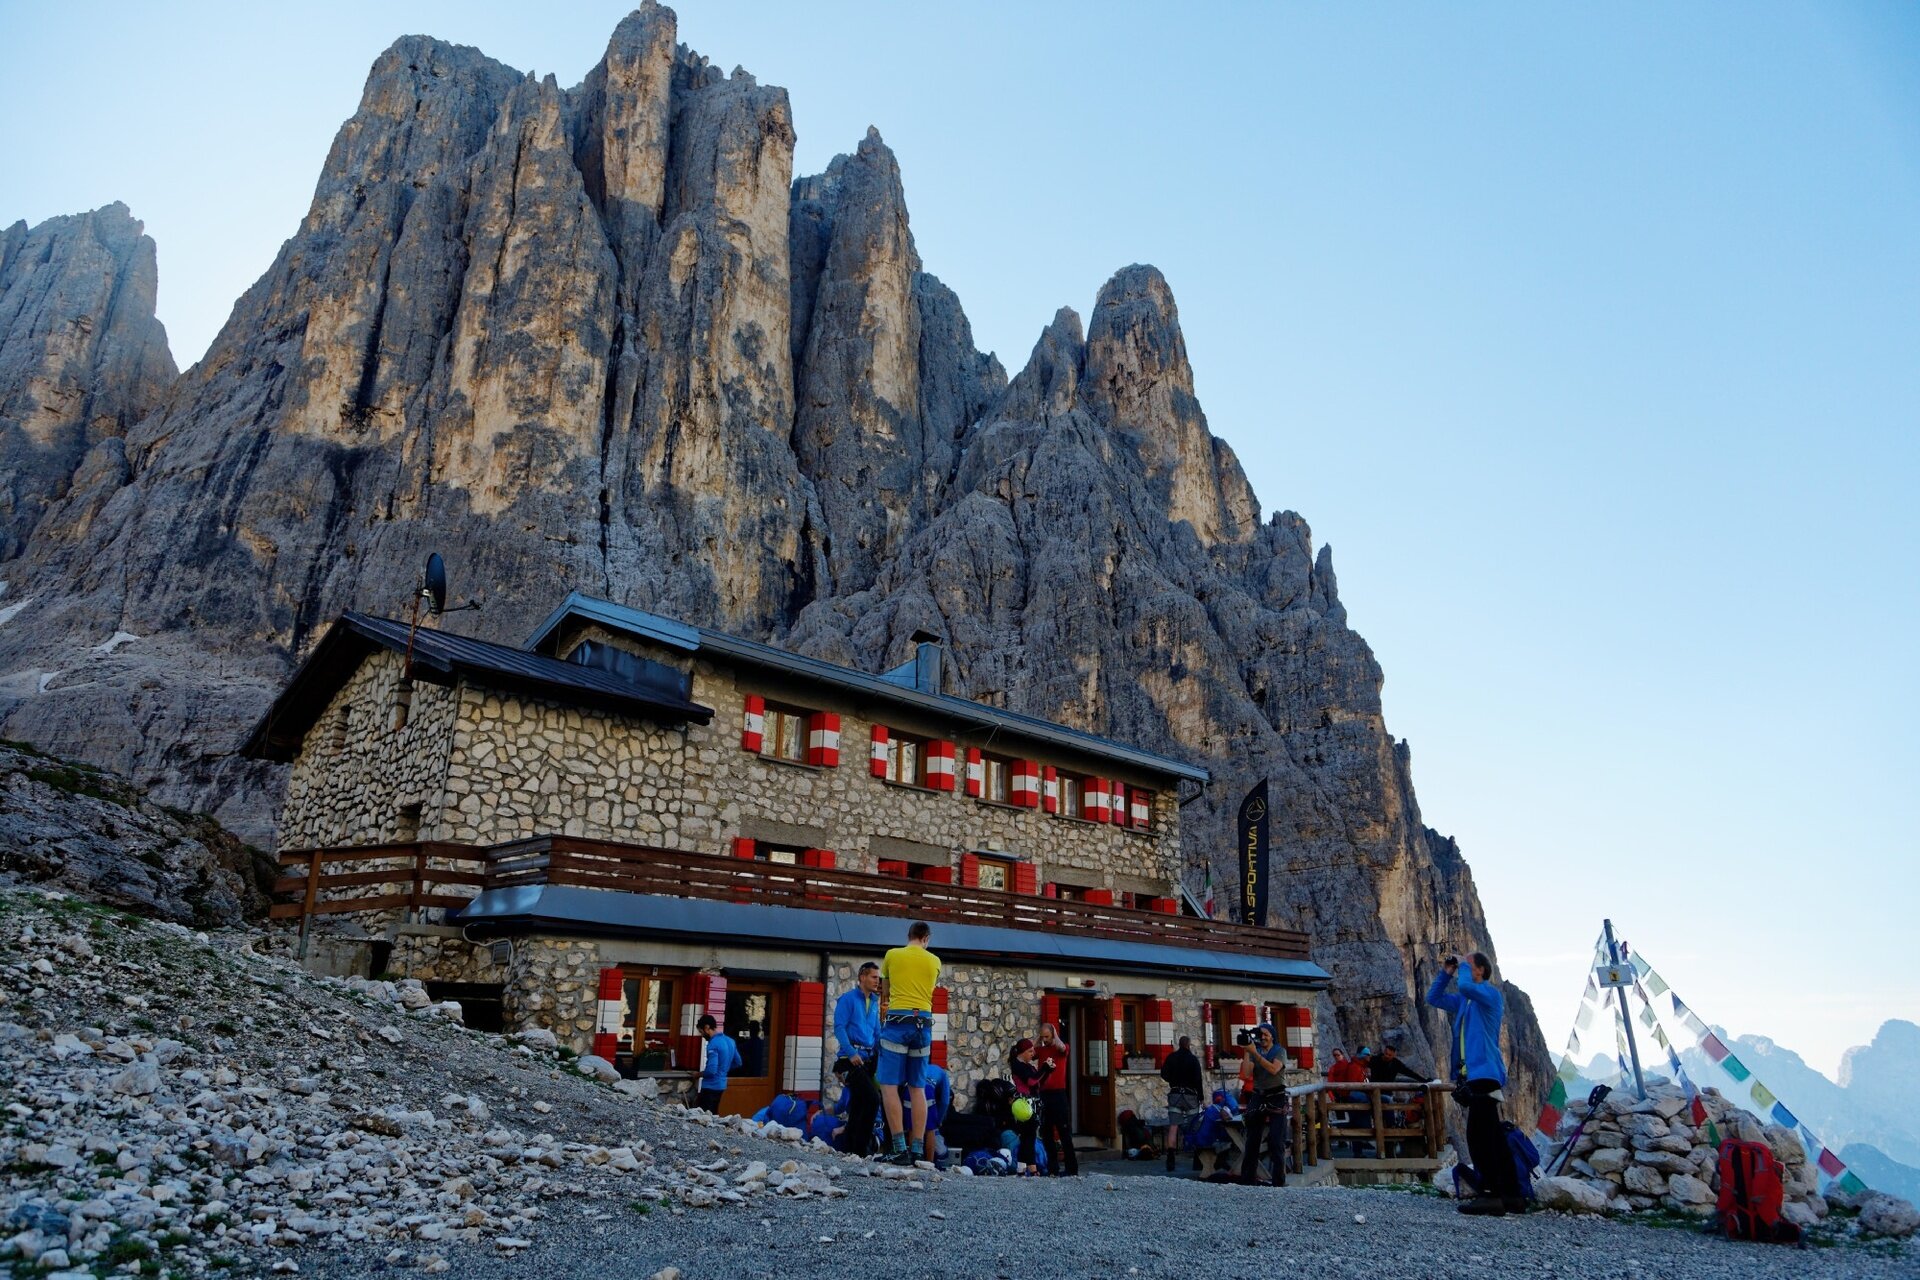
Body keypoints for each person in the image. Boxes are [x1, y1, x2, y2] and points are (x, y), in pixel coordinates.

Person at [1428, 951, 1521, 1215]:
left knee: (1478, 1136)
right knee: (1493, 1136)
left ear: (1480, 970)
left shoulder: (1489, 995)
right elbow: (1433, 998)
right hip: (1474, 1075)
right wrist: (1447, 972)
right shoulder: (1466, 1003)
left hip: (1485, 1073)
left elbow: (1468, 986)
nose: (1462, 968)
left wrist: (1463, 968)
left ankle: (1490, 1195)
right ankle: (1511, 1195)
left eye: (1468, 964)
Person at [877, 921, 941, 1165]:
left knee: (889, 1085)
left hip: (897, 1023)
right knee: (917, 1087)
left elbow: (886, 991)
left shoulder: (892, 955)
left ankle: (898, 1148)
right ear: (926, 938)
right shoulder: (934, 961)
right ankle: (917, 1149)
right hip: (923, 1024)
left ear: (910, 936)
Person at [833, 962, 883, 1156]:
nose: (877, 981)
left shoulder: (875, 1002)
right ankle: (861, 1150)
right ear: (862, 977)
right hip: (849, 1059)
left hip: (868, 1060)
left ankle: (851, 1150)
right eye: (873, 977)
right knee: (872, 1099)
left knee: (858, 1103)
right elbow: (839, 1027)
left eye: (878, 978)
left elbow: (876, 1031)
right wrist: (851, 1052)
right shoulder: (848, 999)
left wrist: (880, 1053)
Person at [1237, 1024, 1292, 1186]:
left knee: (1276, 1141)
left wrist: (1253, 1052)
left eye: (1266, 1034)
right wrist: (1247, 1052)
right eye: (1261, 1035)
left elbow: (1274, 1069)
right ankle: (1247, 1180)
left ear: (1272, 1036)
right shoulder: (1256, 1051)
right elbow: (1247, 1073)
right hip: (1258, 1095)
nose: (1262, 1037)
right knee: (1252, 1140)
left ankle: (1278, 1182)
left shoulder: (1279, 1051)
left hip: (1277, 1096)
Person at [1034, 1021, 1078, 1176]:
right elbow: (1031, 1052)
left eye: (1047, 1036)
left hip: (1059, 1094)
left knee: (1064, 1133)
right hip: (1044, 1094)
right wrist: (1039, 1040)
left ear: (1053, 1034)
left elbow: (1062, 1047)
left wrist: (1055, 1036)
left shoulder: (1061, 1048)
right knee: (1046, 1133)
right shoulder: (1041, 1049)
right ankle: (1053, 1168)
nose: (1045, 1039)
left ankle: (1071, 1169)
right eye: (1043, 1037)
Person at [1161, 1034, 1205, 1173]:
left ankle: (1170, 1161)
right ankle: (1197, 1161)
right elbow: (1198, 1080)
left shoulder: (1171, 1057)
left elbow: (1164, 1074)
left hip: (1175, 1094)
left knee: (1173, 1127)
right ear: (1189, 1044)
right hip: (1190, 1096)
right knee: (1194, 1127)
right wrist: (1201, 1098)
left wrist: (1172, 1081)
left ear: (1179, 1044)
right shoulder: (1193, 1060)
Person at [1008, 1037, 1045, 1174]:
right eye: (1030, 1051)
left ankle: (1021, 1169)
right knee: (1029, 1137)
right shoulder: (1018, 1065)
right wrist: (1044, 1069)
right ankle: (1033, 1169)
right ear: (1022, 1052)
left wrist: (1047, 1071)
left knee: (1027, 1137)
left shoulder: (1027, 1065)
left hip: (1032, 1104)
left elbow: (1039, 1082)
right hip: (1024, 1106)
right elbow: (1031, 1081)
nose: (1033, 1053)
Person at [695, 1014, 741, 1114]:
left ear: (707, 1028)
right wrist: (723, 1069)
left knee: (704, 1118)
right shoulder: (730, 1041)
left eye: (701, 1032)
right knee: (714, 1115)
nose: (702, 1035)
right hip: (721, 1086)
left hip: (709, 1087)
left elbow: (711, 1070)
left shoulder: (713, 1044)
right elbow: (738, 1062)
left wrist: (698, 1075)